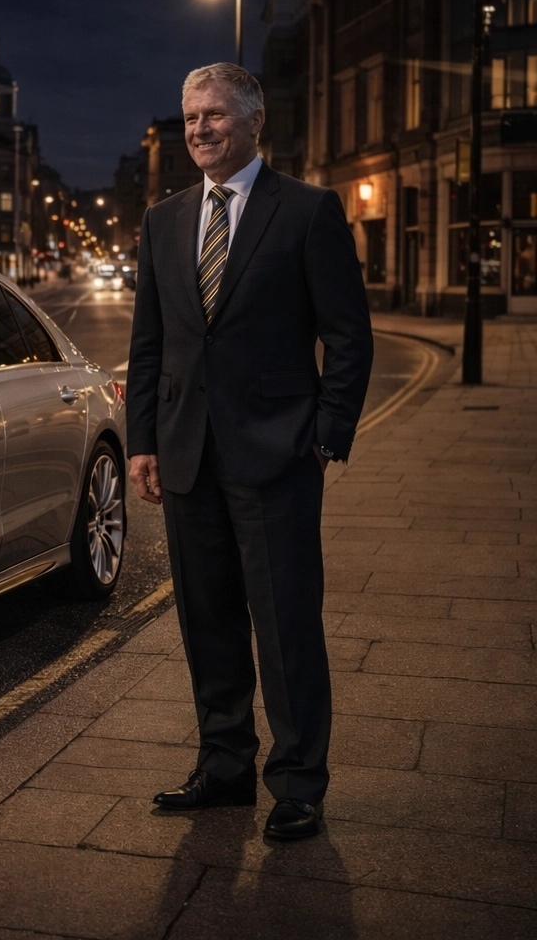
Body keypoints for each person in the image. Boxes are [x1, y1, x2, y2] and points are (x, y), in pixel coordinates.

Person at [124, 63, 373, 841]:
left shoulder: (306, 212)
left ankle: (299, 782)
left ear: (254, 121)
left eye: (214, 116)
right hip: (188, 455)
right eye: (190, 116)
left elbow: (348, 336)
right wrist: (141, 444)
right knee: (208, 621)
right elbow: (150, 345)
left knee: (286, 622)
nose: (198, 129)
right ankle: (225, 766)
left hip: (277, 458)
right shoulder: (164, 221)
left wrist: (326, 436)